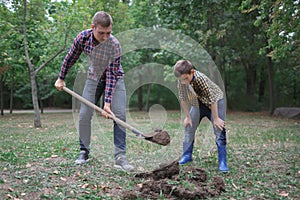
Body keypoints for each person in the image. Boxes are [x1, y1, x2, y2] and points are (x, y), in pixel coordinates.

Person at [54, 11, 134, 172]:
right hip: (93, 77)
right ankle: (84, 150)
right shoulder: (83, 38)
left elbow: (111, 74)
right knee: (84, 115)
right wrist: (61, 78)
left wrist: (107, 103)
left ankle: (120, 156)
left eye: (109, 33)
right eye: (101, 33)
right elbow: (71, 58)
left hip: (115, 79)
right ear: (93, 27)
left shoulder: (114, 45)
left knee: (119, 115)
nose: (105, 37)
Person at [173, 60, 228, 172]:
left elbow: (212, 99)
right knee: (189, 127)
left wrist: (216, 118)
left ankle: (222, 161)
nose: (184, 82)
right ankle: (187, 155)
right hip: (199, 103)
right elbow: (183, 98)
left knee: (219, 129)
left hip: (216, 102)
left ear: (192, 72)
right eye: (181, 80)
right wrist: (188, 117)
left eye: (186, 79)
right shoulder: (182, 81)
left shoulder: (200, 79)